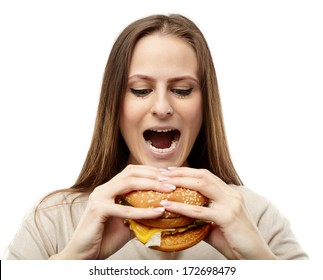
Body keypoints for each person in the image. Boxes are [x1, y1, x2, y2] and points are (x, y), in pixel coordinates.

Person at [4, 14, 308, 260]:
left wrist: (260, 263)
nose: (162, 107)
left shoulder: (256, 216)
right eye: (140, 90)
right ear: (115, 105)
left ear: (206, 105)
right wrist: (73, 260)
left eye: (182, 90)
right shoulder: (54, 221)